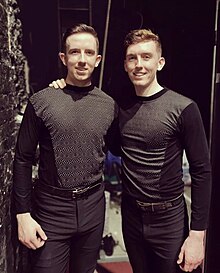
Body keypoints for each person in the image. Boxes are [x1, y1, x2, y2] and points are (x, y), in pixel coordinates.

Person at [50, 28, 212, 273]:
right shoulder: (119, 107)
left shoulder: (184, 108)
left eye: (146, 57)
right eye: (132, 58)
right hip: (132, 217)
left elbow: (202, 172)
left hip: (169, 220)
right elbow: (102, 138)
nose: (139, 64)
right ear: (125, 64)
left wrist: (198, 236)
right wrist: (64, 90)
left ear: (160, 63)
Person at [13, 23, 118, 273]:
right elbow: (23, 158)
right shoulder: (42, 101)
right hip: (51, 210)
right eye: (74, 52)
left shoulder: (108, 106)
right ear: (64, 57)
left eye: (89, 53)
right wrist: (22, 215)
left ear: (98, 59)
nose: (82, 60)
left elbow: (120, 147)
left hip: (93, 207)